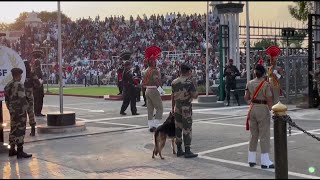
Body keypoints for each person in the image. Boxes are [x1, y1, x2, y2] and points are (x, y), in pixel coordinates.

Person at [244, 64, 274, 169]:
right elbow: (269, 99)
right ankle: (265, 161)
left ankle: (251, 159)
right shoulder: (265, 84)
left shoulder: (249, 83)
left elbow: (246, 97)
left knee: (253, 135)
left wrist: (252, 102)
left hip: (252, 109)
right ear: (264, 73)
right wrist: (271, 110)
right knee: (264, 135)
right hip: (262, 108)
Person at [171, 63, 198, 158]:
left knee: (178, 128)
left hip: (177, 107)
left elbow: (173, 96)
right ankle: (187, 150)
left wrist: (172, 108)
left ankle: (179, 149)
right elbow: (195, 95)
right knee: (187, 128)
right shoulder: (189, 82)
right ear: (188, 71)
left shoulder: (174, 82)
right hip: (186, 107)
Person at [4, 68, 33, 158]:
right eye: (20, 75)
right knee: (20, 130)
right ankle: (20, 151)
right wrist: (25, 109)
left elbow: (7, 100)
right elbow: (22, 99)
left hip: (13, 111)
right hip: (19, 111)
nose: (21, 77)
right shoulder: (19, 85)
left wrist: (10, 108)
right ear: (18, 75)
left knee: (13, 129)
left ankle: (12, 150)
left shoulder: (8, 85)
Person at [142, 46, 163, 132]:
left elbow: (143, 82)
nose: (156, 61)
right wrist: (160, 89)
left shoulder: (145, 70)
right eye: (155, 60)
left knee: (150, 109)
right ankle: (156, 124)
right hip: (154, 89)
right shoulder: (154, 70)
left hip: (147, 90)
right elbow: (156, 81)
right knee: (159, 108)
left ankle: (150, 125)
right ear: (152, 62)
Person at [24, 61, 41, 136]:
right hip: (29, 95)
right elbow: (38, 84)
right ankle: (33, 129)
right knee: (30, 112)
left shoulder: (20, 74)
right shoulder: (32, 73)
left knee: (21, 114)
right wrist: (33, 88)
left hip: (20, 96)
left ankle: (21, 131)